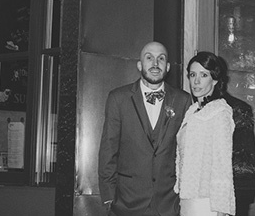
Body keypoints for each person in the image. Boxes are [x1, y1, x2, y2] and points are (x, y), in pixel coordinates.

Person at [98, 41, 192, 216]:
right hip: (126, 203)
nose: (155, 64)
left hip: (169, 203)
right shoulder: (118, 98)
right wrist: (109, 197)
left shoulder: (183, 100)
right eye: (149, 58)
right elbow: (108, 149)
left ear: (168, 66)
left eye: (161, 59)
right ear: (140, 65)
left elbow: (187, 152)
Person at [175, 52, 235, 216]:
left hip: (207, 202)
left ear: (214, 79)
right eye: (192, 75)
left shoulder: (220, 113)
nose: (196, 81)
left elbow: (222, 165)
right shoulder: (192, 111)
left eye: (203, 75)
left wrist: (221, 210)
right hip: (187, 199)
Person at [218, 58, 255, 216]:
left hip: (234, 194)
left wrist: (243, 197)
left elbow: (246, 159)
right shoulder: (193, 110)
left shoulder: (239, 110)